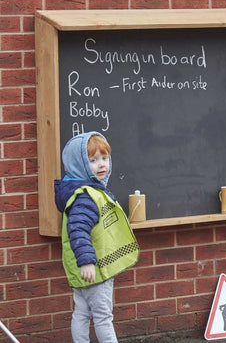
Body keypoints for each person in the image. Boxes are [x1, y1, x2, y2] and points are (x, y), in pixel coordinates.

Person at [55, 132, 140, 342]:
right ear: (79, 164)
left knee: (82, 313)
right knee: (103, 316)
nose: (101, 165)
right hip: (95, 269)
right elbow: (78, 229)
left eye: (104, 158)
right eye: (92, 160)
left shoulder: (81, 191)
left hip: (86, 267)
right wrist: (87, 262)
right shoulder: (86, 197)